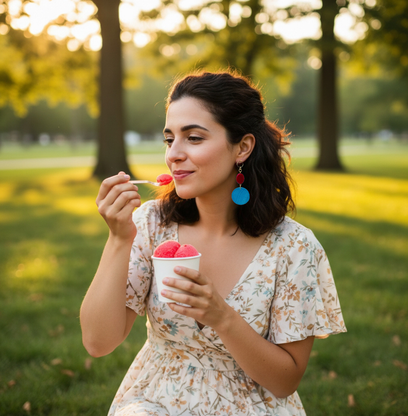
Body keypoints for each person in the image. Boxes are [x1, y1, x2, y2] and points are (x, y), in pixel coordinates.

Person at [80, 71, 346, 416]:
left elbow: (285, 381)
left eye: (193, 138)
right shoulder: (150, 224)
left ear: (242, 146)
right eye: (169, 139)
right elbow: (98, 342)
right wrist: (119, 239)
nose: (173, 154)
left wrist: (221, 316)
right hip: (156, 401)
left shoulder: (294, 248)